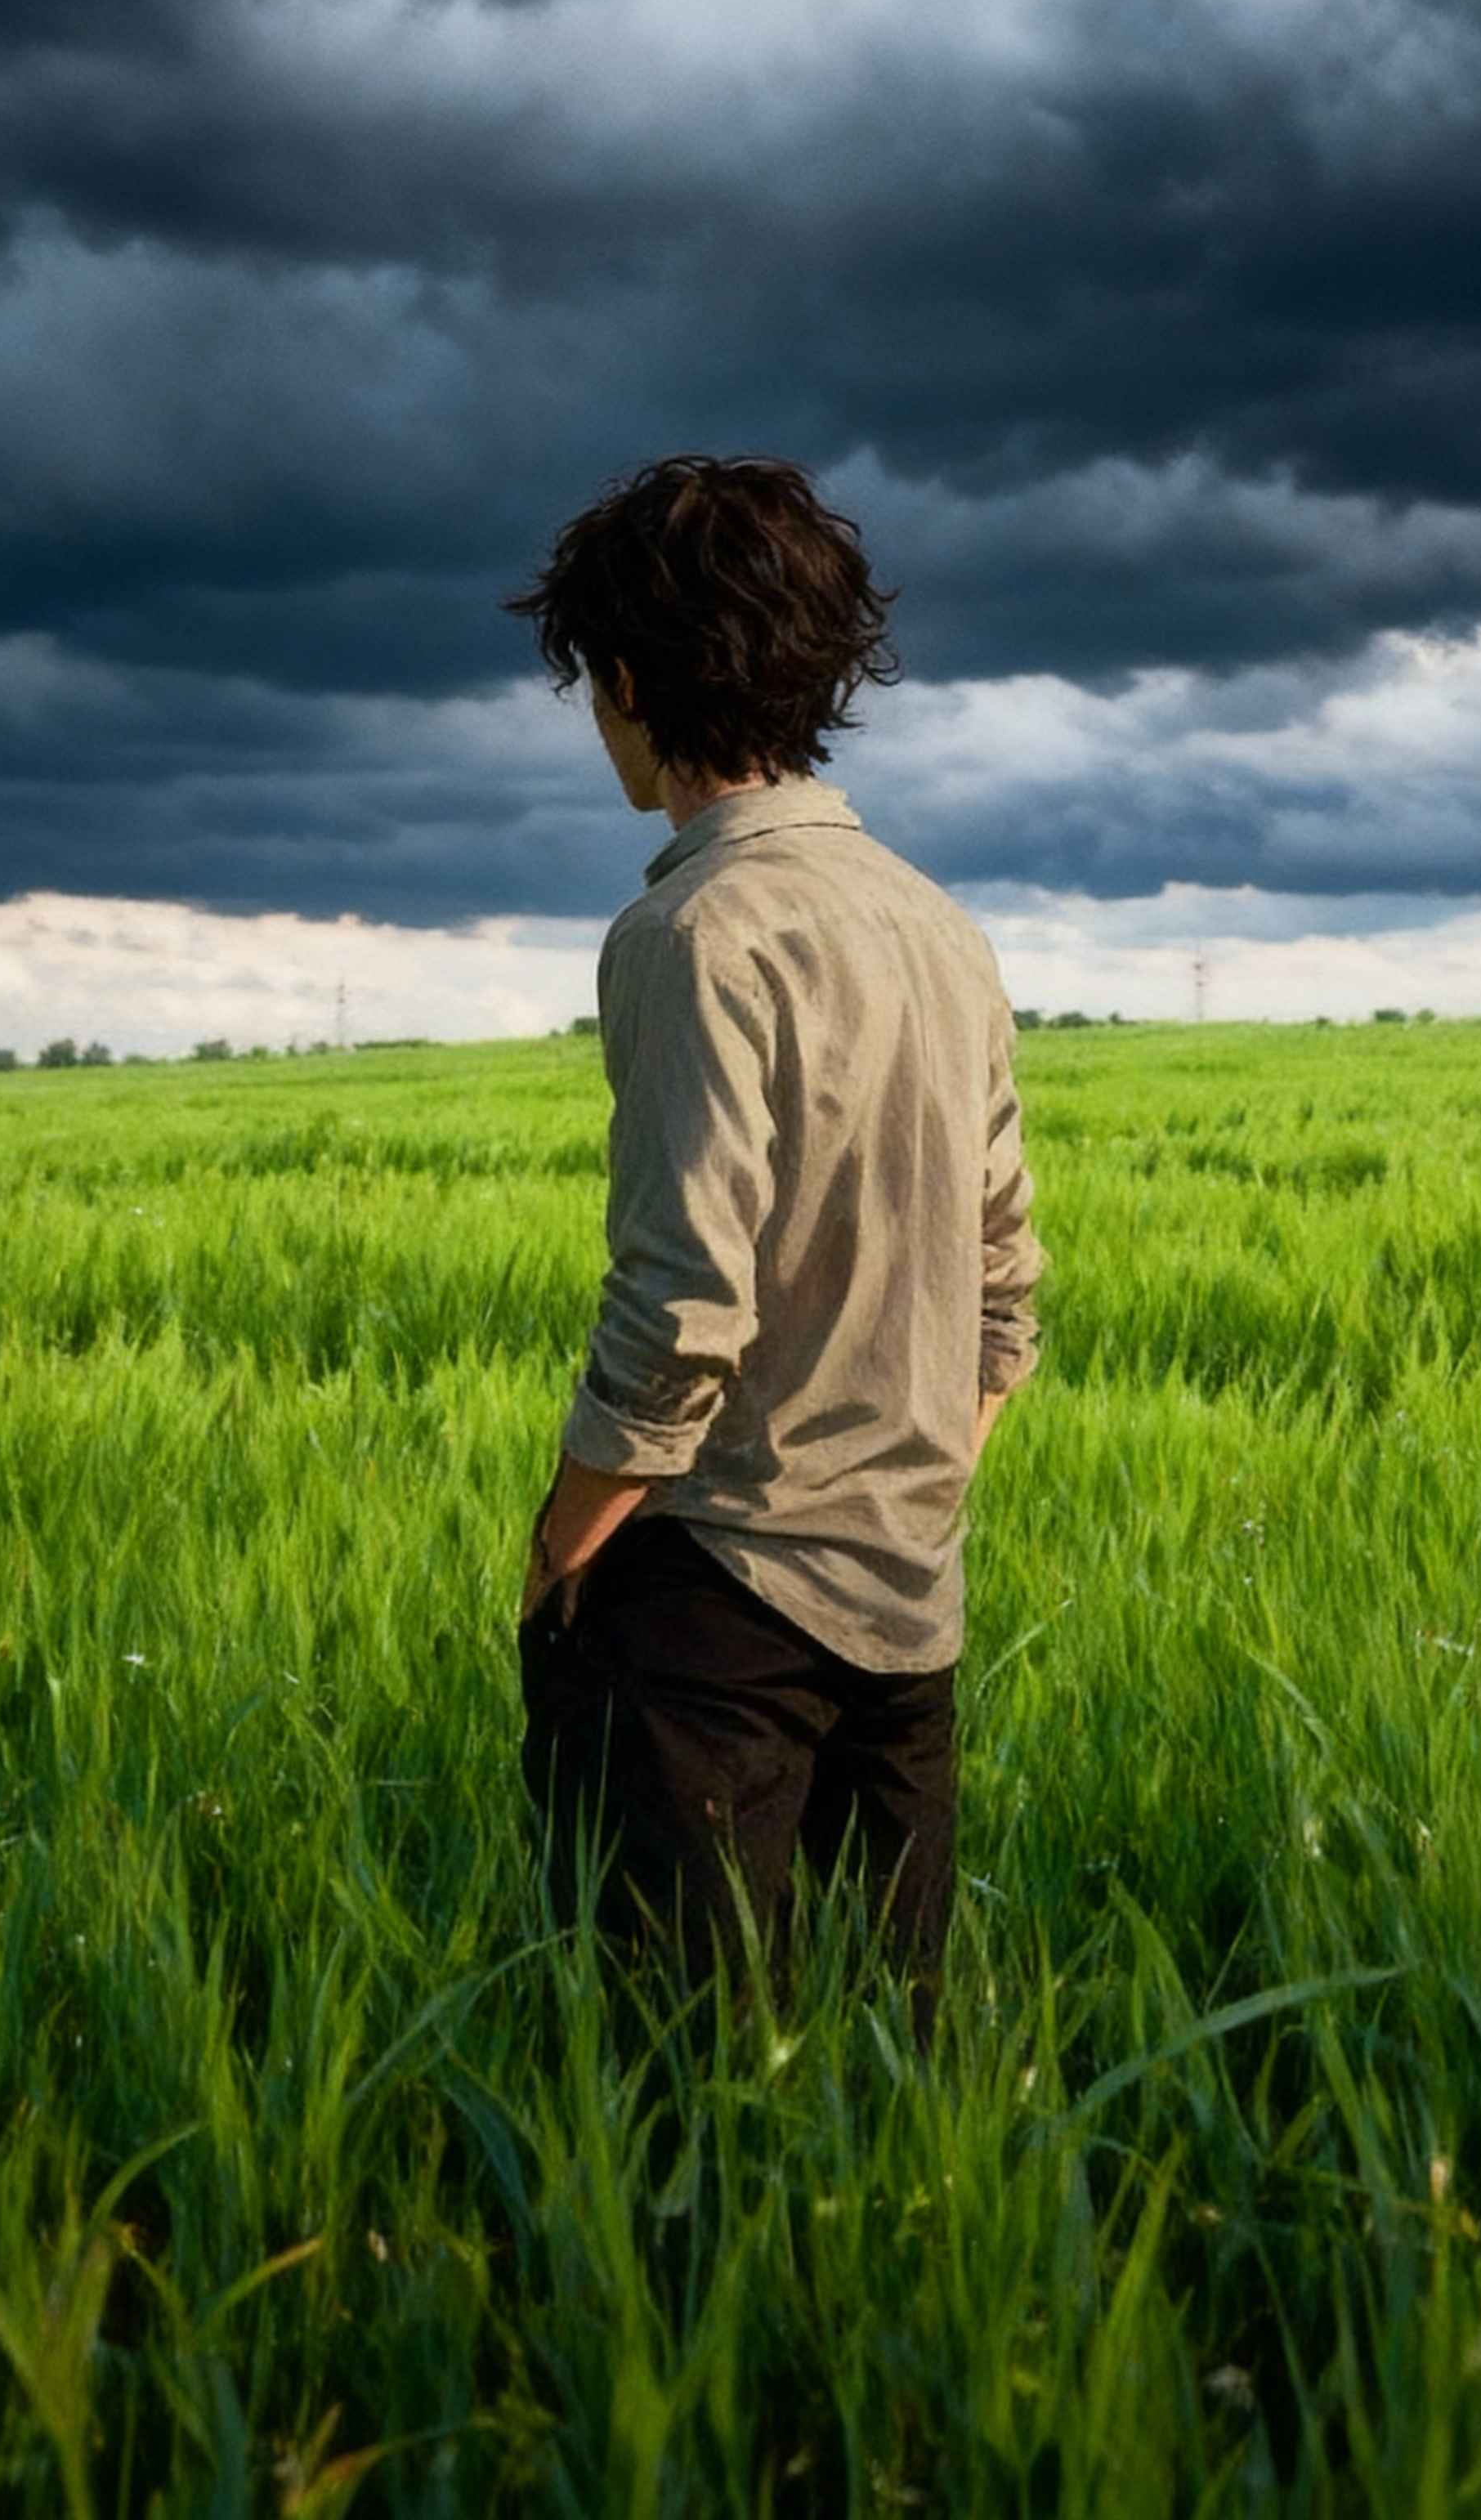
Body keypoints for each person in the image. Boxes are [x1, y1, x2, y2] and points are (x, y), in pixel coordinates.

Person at [507, 451, 1044, 2023]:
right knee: (882, 2094)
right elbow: (1005, 1301)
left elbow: (681, 1304)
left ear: (623, 680)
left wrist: (564, 1550)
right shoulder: (940, 926)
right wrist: (905, 1491)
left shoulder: (690, 934)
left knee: (685, 2110)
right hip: (908, 1613)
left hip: (713, 1620)